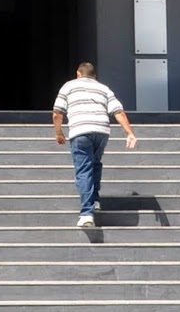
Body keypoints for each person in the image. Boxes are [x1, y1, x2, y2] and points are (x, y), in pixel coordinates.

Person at [52, 61, 137, 228]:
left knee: (84, 170)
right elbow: (118, 111)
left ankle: (86, 213)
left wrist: (59, 132)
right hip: (101, 131)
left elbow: (57, 113)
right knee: (95, 163)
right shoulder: (104, 88)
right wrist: (129, 133)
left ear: (78, 73)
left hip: (81, 131)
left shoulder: (68, 86)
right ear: (94, 76)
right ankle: (95, 200)